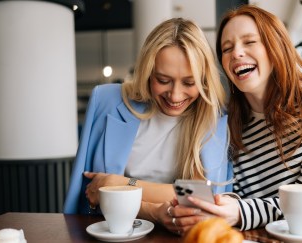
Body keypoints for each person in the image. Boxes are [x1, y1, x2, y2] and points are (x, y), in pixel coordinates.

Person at [168, 5, 302, 232]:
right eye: (227, 48)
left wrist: (240, 212)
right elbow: (234, 194)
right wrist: (212, 208)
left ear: (276, 46)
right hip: (270, 233)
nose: (236, 53)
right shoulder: (228, 123)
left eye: (249, 42)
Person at [63, 17, 232, 233]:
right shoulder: (105, 101)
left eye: (190, 83)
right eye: (163, 80)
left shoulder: (215, 117)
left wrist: (121, 183)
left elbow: (198, 199)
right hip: (107, 233)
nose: (175, 95)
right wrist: (152, 210)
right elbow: (89, 191)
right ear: (147, 71)